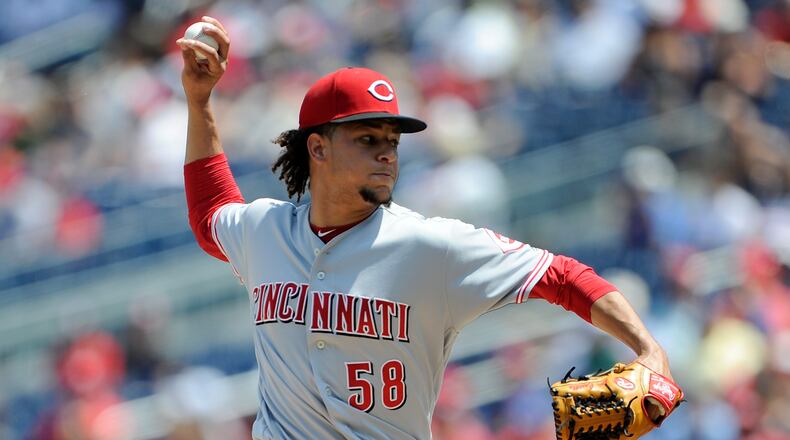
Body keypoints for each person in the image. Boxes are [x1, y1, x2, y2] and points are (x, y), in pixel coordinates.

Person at [177, 16, 677, 440]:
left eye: (393, 140)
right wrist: (200, 103)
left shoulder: (431, 245)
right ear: (318, 148)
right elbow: (209, 216)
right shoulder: (265, 229)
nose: (387, 153)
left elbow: (561, 275)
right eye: (368, 138)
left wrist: (646, 347)